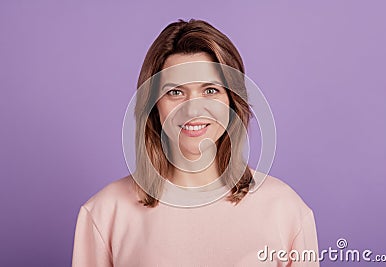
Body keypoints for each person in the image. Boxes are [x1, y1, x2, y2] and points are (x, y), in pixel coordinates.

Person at [72, 19, 319, 266]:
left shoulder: (286, 211)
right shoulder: (104, 214)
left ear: (232, 101)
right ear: (153, 106)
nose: (192, 110)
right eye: (175, 92)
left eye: (210, 90)